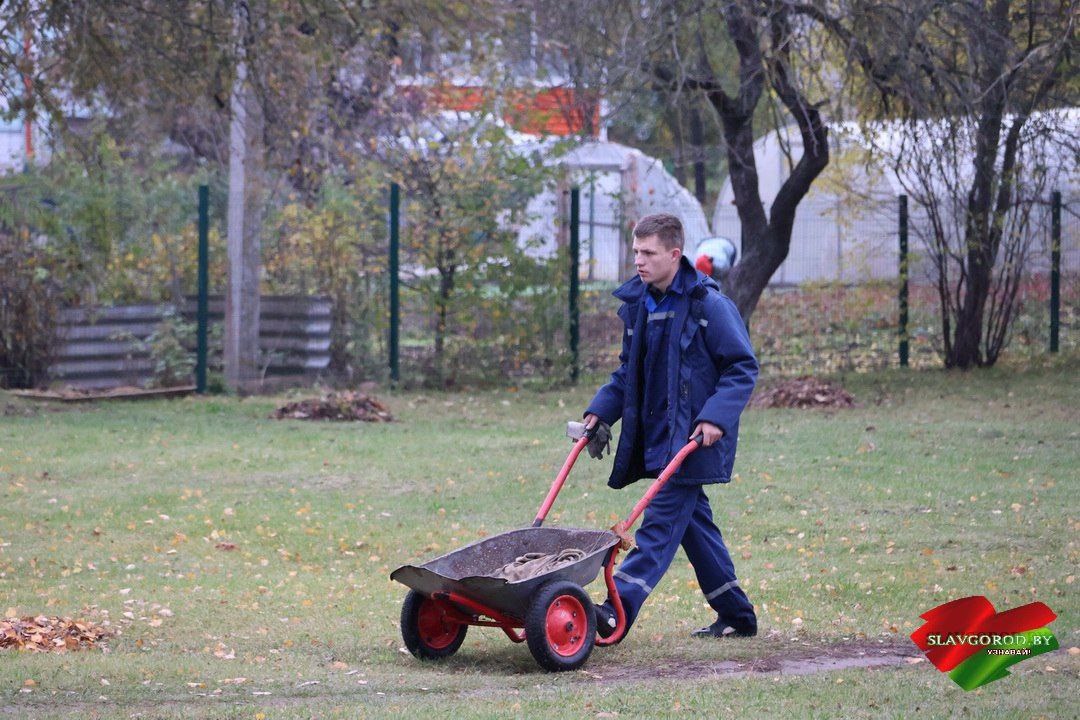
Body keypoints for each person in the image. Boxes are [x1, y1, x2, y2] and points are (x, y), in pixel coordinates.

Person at [582, 213, 759, 641]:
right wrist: (600, 411)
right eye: (636, 251)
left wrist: (715, 417)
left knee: (658, 526)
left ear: (675, 254)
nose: (638, 261)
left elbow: (742, 367)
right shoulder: (640, 305)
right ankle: (737, 615)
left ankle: (614, 612)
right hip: (657, 436)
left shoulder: (708, 306)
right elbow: (629, 372)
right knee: (695, 529)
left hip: (693, 438)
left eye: (648, 253)